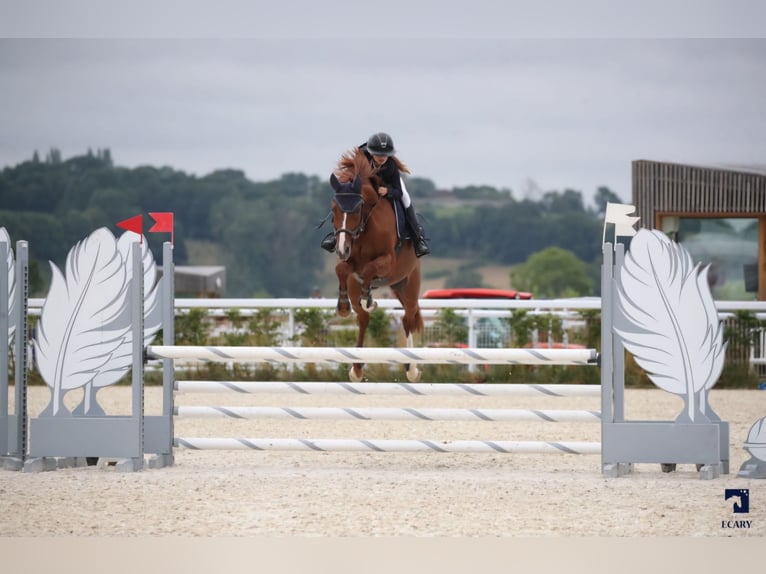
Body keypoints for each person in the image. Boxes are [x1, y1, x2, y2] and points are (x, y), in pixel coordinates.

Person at [321, 132, 431, 257]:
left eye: (385, 154)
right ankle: (334, 237)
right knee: (345, 197)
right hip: (366, 184)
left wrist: (388, 191)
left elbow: (398, 192)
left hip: (388, 185)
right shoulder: (362, 158)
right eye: (378, 153)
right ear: (371, 152)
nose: (382, 157)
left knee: (405, 198)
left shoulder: (391, 167)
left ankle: (418, 239)